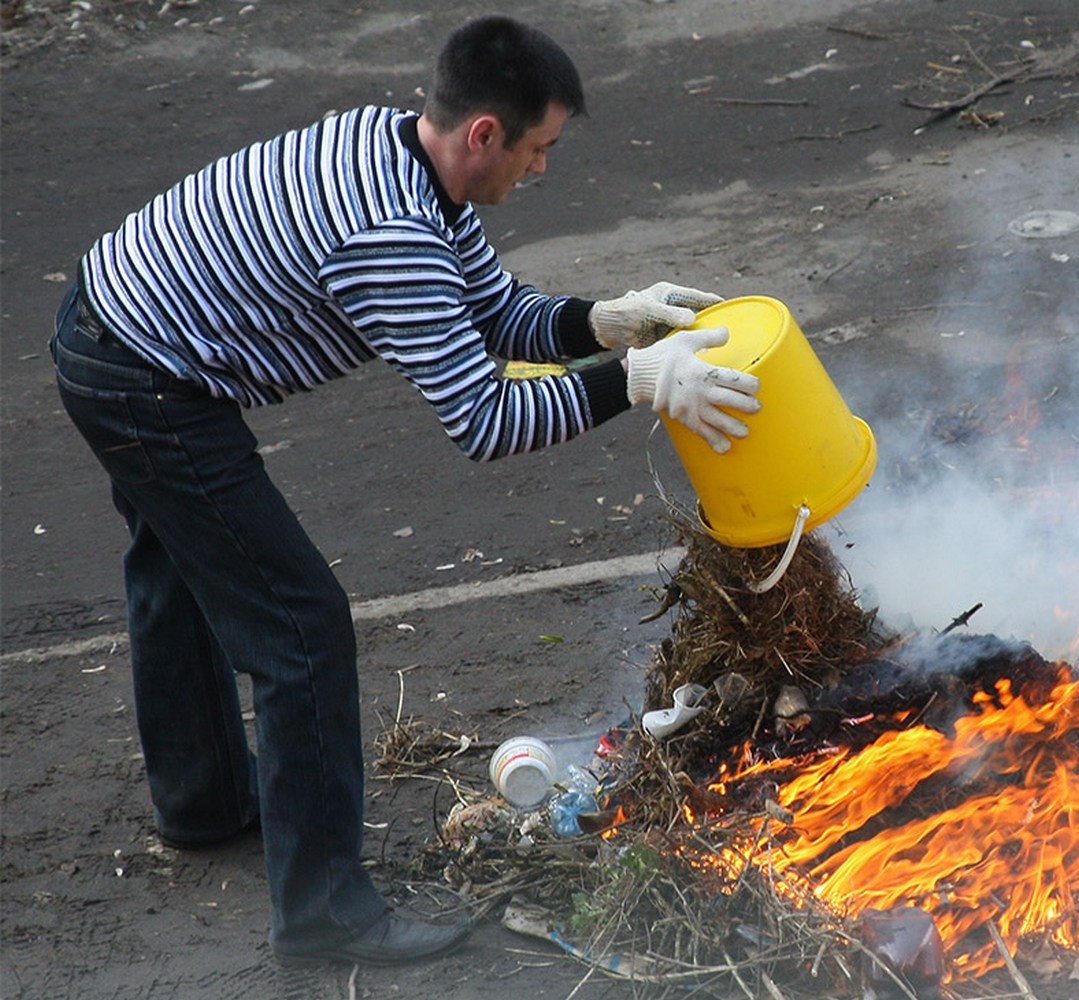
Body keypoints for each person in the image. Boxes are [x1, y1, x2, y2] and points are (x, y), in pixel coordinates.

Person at [49, 15, 759, 966]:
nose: (543, 169)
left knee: (182, 569)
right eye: (540, 149)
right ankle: (325, 916)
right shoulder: (388, 229)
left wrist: (609, 322)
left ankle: (206, 799)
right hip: (144, 377)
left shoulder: (402, 149)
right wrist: (632, 384)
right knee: (300, 626)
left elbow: (491, 308)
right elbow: (487, 421)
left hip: (117, 327)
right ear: (485, 136)